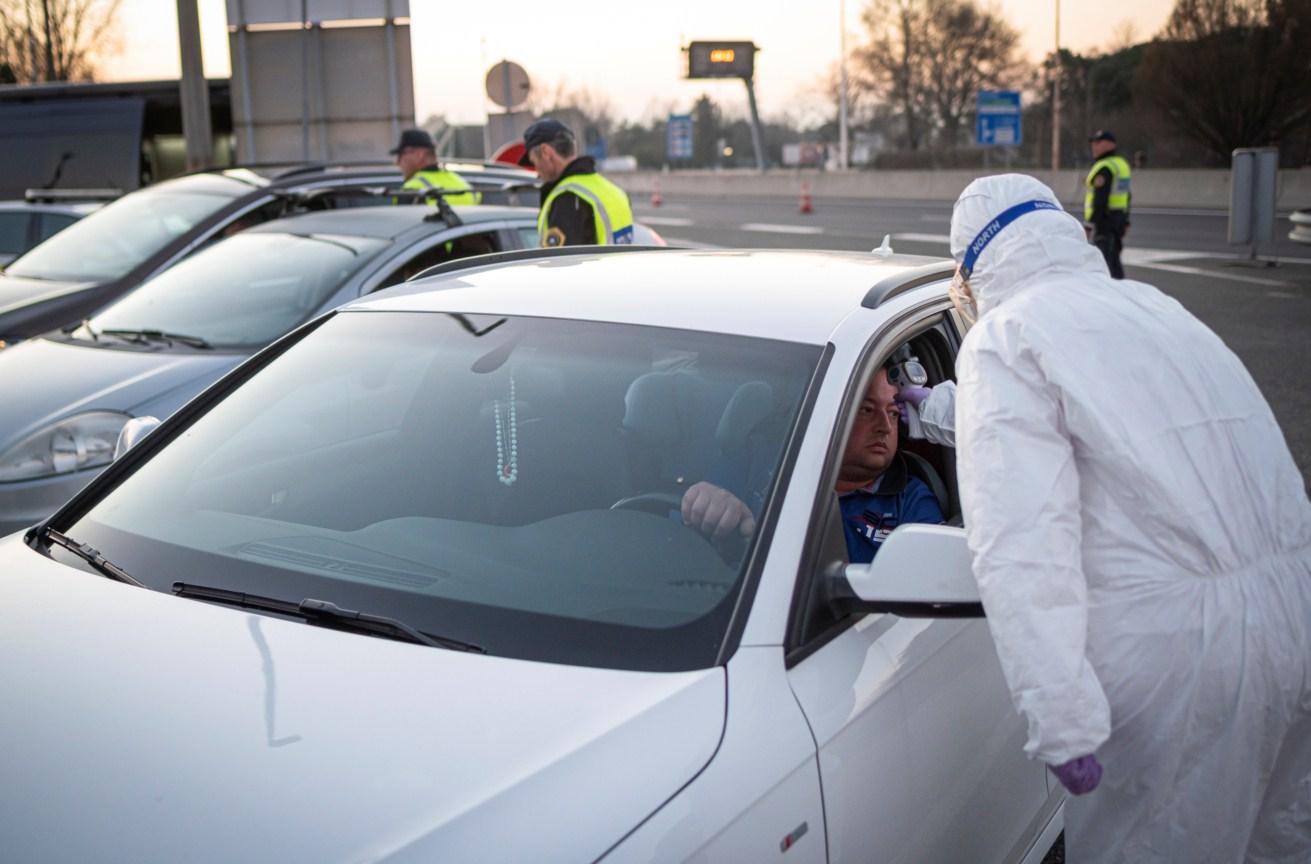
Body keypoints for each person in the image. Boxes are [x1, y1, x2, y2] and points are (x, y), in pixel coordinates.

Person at [948, 172, 1311, 863]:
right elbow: (1126, 430)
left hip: (1181, 659)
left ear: (974, 265)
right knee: (1277, 840)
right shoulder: (1151, 306)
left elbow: (1023, 546)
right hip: (1292, 614)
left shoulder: (1003, 339)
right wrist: (940, 408)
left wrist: (1058, 718)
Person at [681, 368, 944, 562]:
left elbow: (929, 579)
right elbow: (685, 531)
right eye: (866, 410)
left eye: (893, 413)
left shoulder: (912, 499)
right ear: (829, 413)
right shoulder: (756, 461)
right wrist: (708, 504)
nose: (885, 427)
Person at [519, 118, 634, 247]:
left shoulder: (568, 199)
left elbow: (561, 264)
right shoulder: (613, 191)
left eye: (534, 162)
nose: (537, 172)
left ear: (546, 152)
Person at [389, 128, 478, 206]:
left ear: (420, 155)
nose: (397, 162)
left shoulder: (411, 191)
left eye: (401, 155)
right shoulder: (465, 186)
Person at [1084, 130, 1131, 279]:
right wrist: (1126, 220)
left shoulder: (1104, 167)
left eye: (1098, 143)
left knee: (1103, 265)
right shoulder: (1121, 164)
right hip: (1118, 219)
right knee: (1114, 262)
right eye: (1093, 143)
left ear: (1109, 145)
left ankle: (1111, 298)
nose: (1094, 146)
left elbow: (1100, 199)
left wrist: (1090, 224)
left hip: (1104, 221)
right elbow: (1127, 195)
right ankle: (1123, 293)